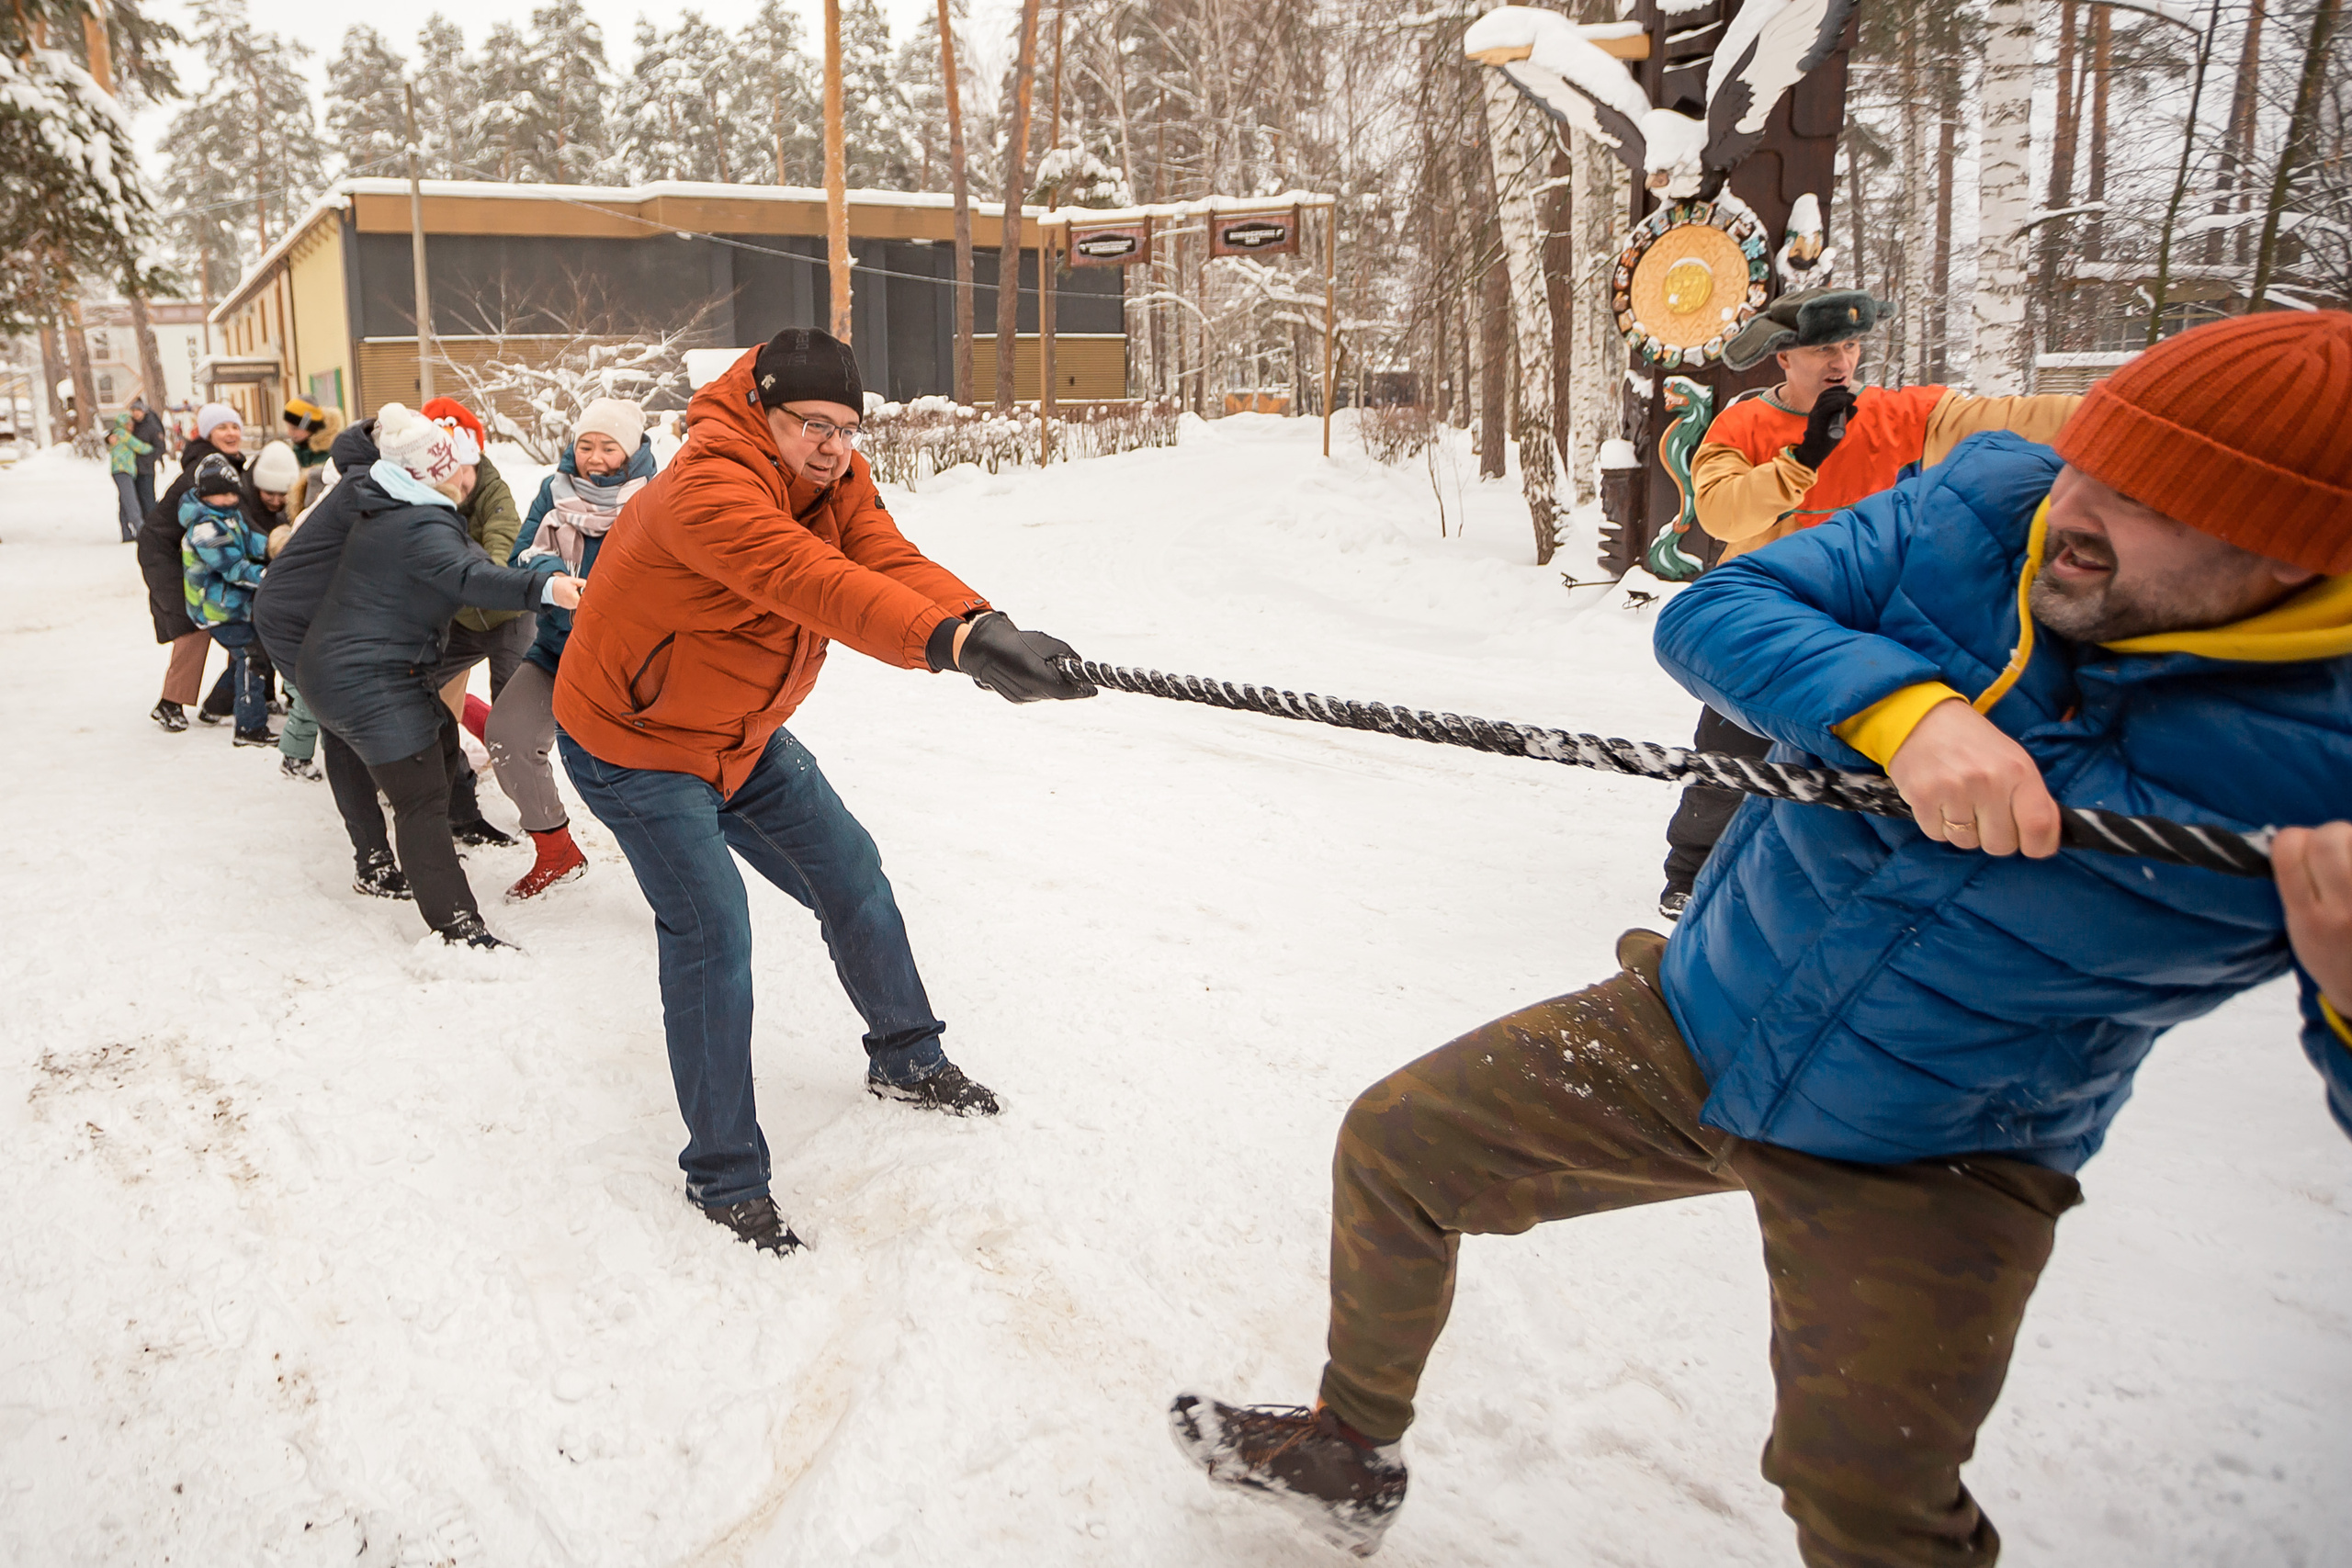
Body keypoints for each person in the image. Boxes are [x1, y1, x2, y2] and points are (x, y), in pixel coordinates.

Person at [1168, 311, 2352, 1565]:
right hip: (1702, 1013)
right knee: (1400, 1146)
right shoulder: (1990, 504)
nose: (2080, 506)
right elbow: (1721, 608)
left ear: (2294, 556)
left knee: (1870, 1508)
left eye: (2153, 503)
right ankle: (1345, 1450)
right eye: (2092, 459)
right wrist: (1902, 711)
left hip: (1937, 1146)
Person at [553, 328, 1094, 1257]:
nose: (833, 444)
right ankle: (724, 1176)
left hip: (742, 736)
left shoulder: (835, 480)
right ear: (762, 409)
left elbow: (883, 556)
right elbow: (817, 583)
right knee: (713, 930)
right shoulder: (707, 489)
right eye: (813, 424)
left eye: (846, 426)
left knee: (853, 874)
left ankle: (908, 1058)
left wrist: (984, 623)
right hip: (637, 745)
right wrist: (953, 650)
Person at [1656, 288, 2084, 919]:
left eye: (1851, 345)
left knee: (1863, 766)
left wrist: (2125, 412)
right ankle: (1690, 867)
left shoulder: (1898, 413)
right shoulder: (1740, 424)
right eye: (1825, 347)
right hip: (1771, 617)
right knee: (1732, 755)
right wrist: (1802, 460)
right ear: (1786, 358)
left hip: (1867, 621)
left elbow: (2012, 416)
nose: (1841, 360)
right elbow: (1720, 511)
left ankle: (1833, 887)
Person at [295, 404, 578, 947]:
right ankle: (456, 924)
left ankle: (445, 831)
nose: (469, 478)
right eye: (458, 470)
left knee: (441, 743)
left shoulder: (391, 507)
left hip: (357, 667)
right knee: (419, 798)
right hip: (370, 680)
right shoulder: (420, 523)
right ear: (433, 475)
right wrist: (545, 589)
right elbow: (470, 574)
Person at [484, 397, 658, 900]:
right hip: (558, 648)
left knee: (636, 775)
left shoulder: (656, 497)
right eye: (586, 445)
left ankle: (671, 871)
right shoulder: (553, 492)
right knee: (508, 736)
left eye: (608, 446)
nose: (595, 457)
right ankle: (555, 849)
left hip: (629, 663)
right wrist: (554, 579)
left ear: (629, 450)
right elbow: (522, 555)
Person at [417, 395, 532, 847]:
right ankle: (450, 789)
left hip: (508, 614)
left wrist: (489, 575)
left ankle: (535, 807)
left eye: (464, 463)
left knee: (514, 719)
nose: (456, 477)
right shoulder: (421, 493)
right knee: (424, 695)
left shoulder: (493, 489)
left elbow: (504, 533)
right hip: (459, 620)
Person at [139, 401, 244, 732]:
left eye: (235, 426)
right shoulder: (206, 469)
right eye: (222, 428)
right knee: (190, 624)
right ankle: (169, 704)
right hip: (164, 552)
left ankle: (232, 696)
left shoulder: (225, 464)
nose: (231, 433)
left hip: (192, 553)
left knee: (233, 613)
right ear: (208, 434)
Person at [177, 454, 273, 744]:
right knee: (251, 656)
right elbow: (232, 568)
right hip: (215, 608)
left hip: (231, 605)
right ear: (206, 495)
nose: (231, 498)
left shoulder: (228, 516)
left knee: (243, 657)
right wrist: (269, 575)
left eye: (234, 492)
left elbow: (252, 543)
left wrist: (277, 546)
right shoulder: (205, 528)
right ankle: (249, 727)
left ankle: (214, 707)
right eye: (223, 493)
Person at [106, 411, 153, 543]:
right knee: (131, 502)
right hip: (123, 471)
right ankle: (141, 531)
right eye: (129, 424)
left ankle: (126, 533)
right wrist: (153, 448)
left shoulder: (116, 434)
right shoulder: (122, 434)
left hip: (120, 472)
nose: (132, 426)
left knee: (124, 503)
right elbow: (139, 447)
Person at [128, 395, 166, 520]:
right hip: (132, 468)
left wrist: (150, 458)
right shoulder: (132, 426)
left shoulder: (151, 426)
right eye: (134, 411)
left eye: (138, 411)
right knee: (136, 499)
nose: (136, 414)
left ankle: (151, 522)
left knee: (148, 498)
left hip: (146, 469)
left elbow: (160, 446)